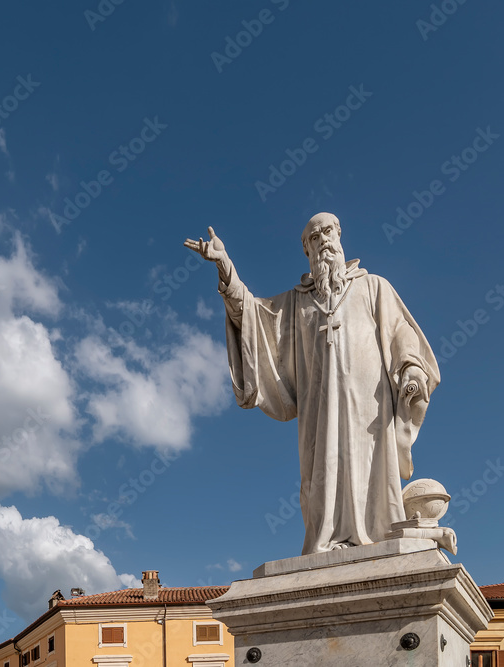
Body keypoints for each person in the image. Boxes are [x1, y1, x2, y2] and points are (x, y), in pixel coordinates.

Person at [184, 213, 440, 554]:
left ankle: (376, 533)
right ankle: (328, 537)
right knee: (323, 470)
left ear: (339, 234)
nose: (322, 240)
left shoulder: (373, 286)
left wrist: (411, 369)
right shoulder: (296, 302)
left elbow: (401, 334)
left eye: (327, 231)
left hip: (371, 404)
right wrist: (225, 267)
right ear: (306, 250)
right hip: (318, 409)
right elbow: (252, 316)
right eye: (313, 237)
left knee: (371, 467)